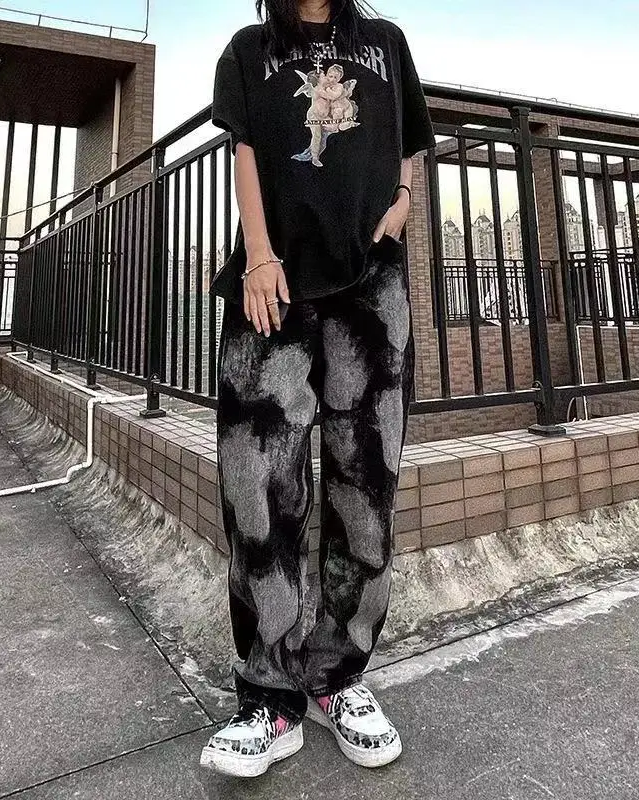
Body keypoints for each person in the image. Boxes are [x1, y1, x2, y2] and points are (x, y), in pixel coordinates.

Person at [201, 0, 436, 778]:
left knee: (365, 480)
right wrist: (259, 255)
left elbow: (409, 143)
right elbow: (243, 152)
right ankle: (269, 697)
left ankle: (339, 676)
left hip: (372, 282)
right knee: (256, 482)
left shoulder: (386, 43)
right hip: (272, 285)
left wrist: (403, 202)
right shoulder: (248, 49)